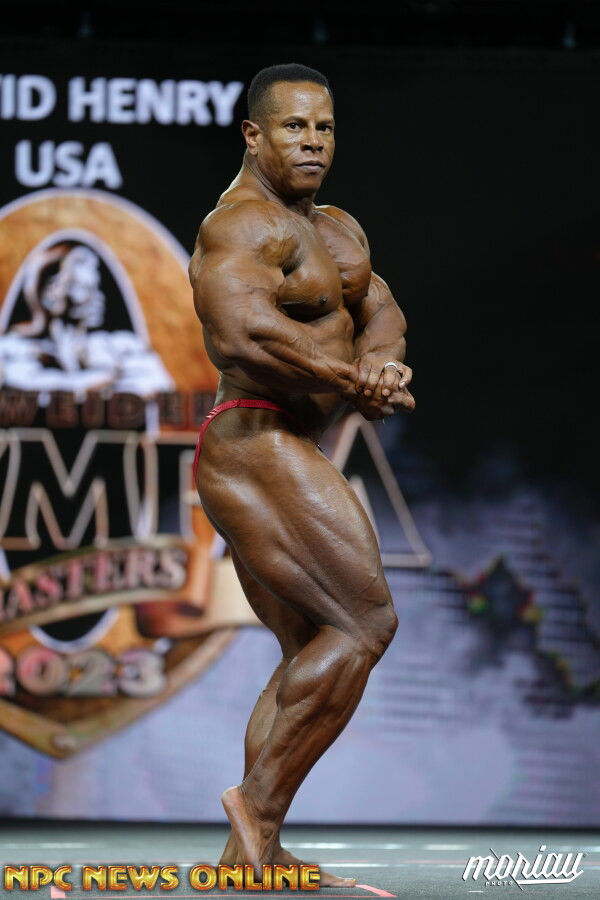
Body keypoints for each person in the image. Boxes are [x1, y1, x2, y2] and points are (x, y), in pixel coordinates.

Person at [189, 63, 415, 885]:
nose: (313, 141)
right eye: (293, 127)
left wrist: (383, 367)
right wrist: (351, 381)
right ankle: (257, 806)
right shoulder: (241, 225)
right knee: (365, 624)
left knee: (311, 646)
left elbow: (379, 313)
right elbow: (240, 332)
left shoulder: (337, 229)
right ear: (255, 136)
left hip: (284, 442)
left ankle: (249, 859)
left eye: (323, 128)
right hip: (254, 437)